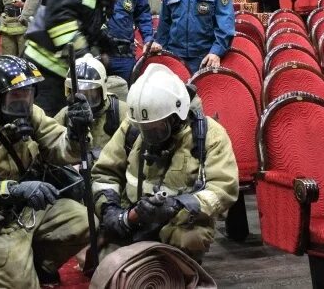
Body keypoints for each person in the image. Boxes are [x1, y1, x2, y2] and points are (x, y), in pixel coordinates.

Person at [0, 55, 94, 288]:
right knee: (21, 283)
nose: (25, 103)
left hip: (32, 209)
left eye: (29, 94)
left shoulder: (33, 114)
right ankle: (22, 264)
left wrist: (76, 132)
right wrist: (11, 190)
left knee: (86, 222)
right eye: (16, 96)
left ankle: (41, 262)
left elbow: (61, 147)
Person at [91, 63, 238, 263]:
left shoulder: (209, 135)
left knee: (190, 239)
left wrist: (176, 207)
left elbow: (223, 189)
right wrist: (110, 211)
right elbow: (104, 174)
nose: (149, 136)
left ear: (176, 116)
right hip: (133, 216)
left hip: (179, 221)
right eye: (143, 129)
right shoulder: (132, 128)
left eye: (155, 128)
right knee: (110, 264)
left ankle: (178, 267)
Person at [24, 0, 135, 116]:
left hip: (64, 73)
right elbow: (60, 20)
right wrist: (85, 56)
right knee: (48, 127)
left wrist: (106, 44)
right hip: (44, 71)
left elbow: (87, 24)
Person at [54, 53, 128, 159]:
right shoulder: (66, 114)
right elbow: (50, 145)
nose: (84, 99)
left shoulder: (121, 113)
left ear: (102, 89)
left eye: (90, 93)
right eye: (78, 92)